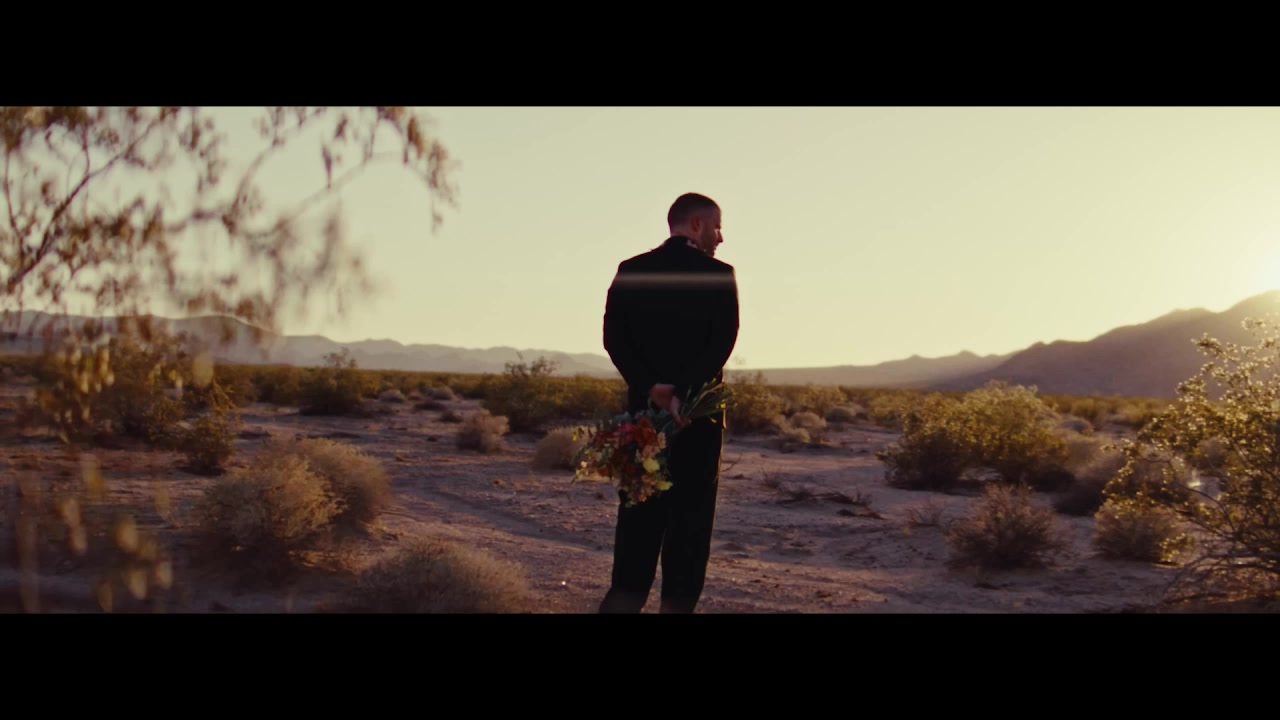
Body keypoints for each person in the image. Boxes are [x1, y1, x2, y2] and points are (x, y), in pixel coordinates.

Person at [597, 192, 740, 613]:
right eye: (717, 226)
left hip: (642, 417)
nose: (720, 237)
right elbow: (722, 343)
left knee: (637, 523)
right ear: (696, 224)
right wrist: (684, 392)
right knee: (690, 530)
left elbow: (614, 338)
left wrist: (651, 388)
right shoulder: (719, 274)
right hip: (697, 422)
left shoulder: (632, 269)